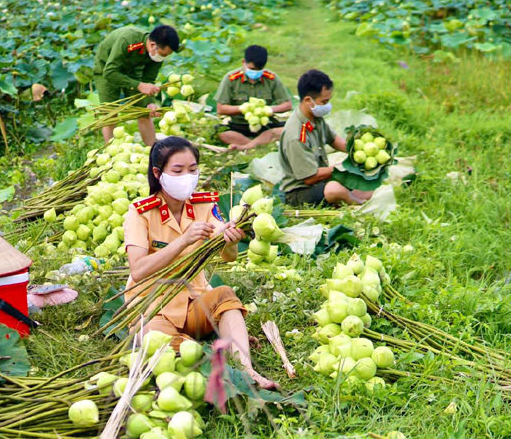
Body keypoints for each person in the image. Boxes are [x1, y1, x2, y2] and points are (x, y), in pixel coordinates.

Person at [123, 136, 278, 389]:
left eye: (193, 170)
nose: (187, 176)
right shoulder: (141, 212)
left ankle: (247, 370)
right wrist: (183, 241)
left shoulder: (205, 205)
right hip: (152, 306)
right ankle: (211, 352)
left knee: (225, 295)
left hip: (195, 301)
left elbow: (228, 255)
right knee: (158, 342)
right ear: (158, 173)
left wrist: (229, 240)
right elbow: (138, 270)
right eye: (178, 171)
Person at [278, 69, 373, 207]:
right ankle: (358, 204)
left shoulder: (314, 117)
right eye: (325, 101)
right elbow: (310, 178)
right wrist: (344, 166)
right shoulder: (296, 135)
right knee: (334, 189)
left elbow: (333, 139)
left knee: (366, 182)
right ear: (308, 100)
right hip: (300, 192)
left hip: (320, 182)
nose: (328, 105)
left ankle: (348, 198)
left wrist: (356, 152)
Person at [93, 24, 180, 146]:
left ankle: (152, 149)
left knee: (144, 112)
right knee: (110, 114)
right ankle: (110, 151)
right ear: (152, 45)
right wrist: (138, 85)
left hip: (132, 70)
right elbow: (110, 72)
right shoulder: (128, 40)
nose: (164, 57)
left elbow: (148, 79)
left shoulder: (156, 56)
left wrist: (149, 102)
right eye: (163, 54)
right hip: (107, 69)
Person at [215, 45, 293, 151]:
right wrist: (243, 109)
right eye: (252, 69)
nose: (255, 72)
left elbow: (287, 105)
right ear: (244, 62)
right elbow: (220, 109)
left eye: (259, 69)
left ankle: (247, 146)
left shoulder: (271, 78)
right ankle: (260, 144)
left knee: (293, 128)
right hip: (239, 125)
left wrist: (269, 110)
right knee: (220, 132)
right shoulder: (231, 79)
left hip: (264, 125)